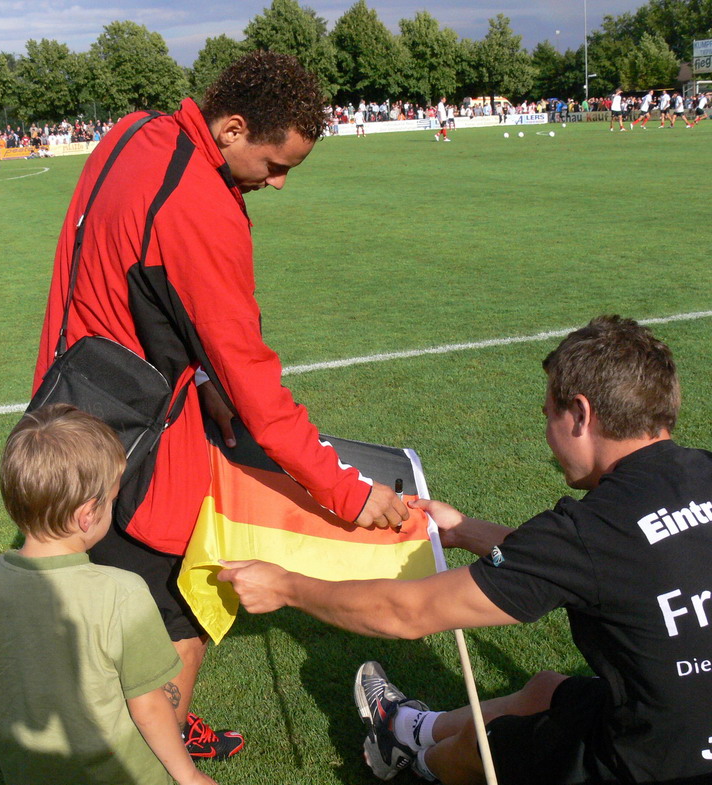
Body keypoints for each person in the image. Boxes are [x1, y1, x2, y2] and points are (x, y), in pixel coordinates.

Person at [33, 51, 408, 760]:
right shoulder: (201, 210)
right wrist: (348, 493)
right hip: (129, 445)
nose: (280, 183)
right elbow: (257, 391)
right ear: (232, 127)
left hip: (64, 400)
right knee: (176, 604)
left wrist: (199, 376)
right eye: (275, 164)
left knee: (109, 607)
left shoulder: (134, 131)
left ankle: (141, 737)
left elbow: (137, 287)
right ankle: (151, 748)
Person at [220, 315, 712, 785]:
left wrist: (286, 586)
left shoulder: (590, 531)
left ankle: (419, 765)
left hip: (653, 762)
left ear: (581, 413)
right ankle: (406, 728)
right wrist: (463, 530)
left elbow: (408, 612)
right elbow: (602, 564)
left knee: (484, 747)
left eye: (548, 416)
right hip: (677, 724)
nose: (547, 435)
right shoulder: (699, 472)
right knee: (544, 691)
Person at [0, 405, 217, 785]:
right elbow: (149, 705)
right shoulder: (121, 592)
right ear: (87, 516)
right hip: (118, 772)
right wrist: (189, 775)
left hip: (27, 769)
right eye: (113, 501)